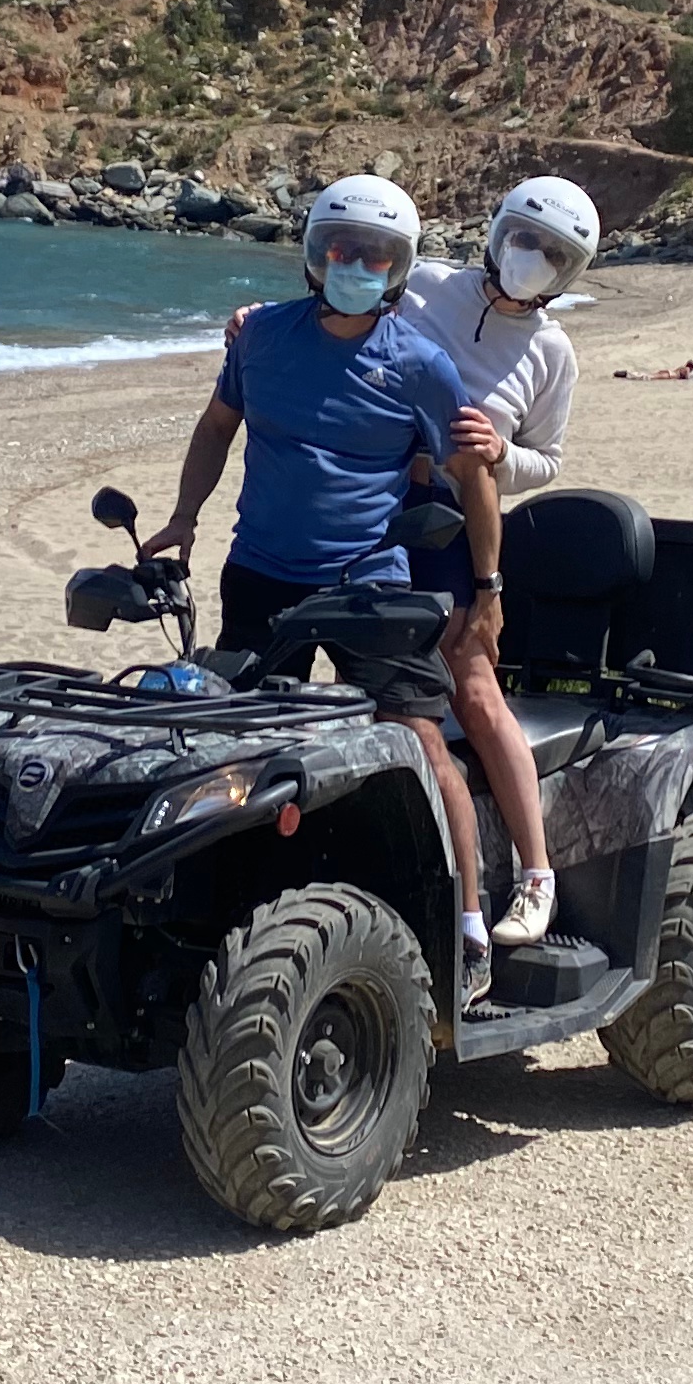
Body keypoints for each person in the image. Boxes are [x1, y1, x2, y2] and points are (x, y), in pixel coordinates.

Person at [146, 176, 505, 1008]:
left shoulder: (419, 363)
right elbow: (214, 429)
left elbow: (473, 477)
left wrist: (486, 585)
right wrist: (183, 517)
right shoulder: (260, 336)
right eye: (340, 249)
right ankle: (215, 908)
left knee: (419, 736)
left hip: (369, 584)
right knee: (225, 738)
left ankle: (471, 923)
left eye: (374, 255)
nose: (355, 264)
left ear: (397, 269)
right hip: (261, 573)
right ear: (315, 255)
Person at [402, 177, 599, 954]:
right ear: (497, 230)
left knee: (475, 689)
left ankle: (537, 874)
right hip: (376, 515)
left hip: (459, 533)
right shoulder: (425, 285)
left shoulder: (552, 351)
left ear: (570, 270)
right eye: (526, 238)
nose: (534, 258)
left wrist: (500, 453)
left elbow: (547, 462)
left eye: (555, 254)